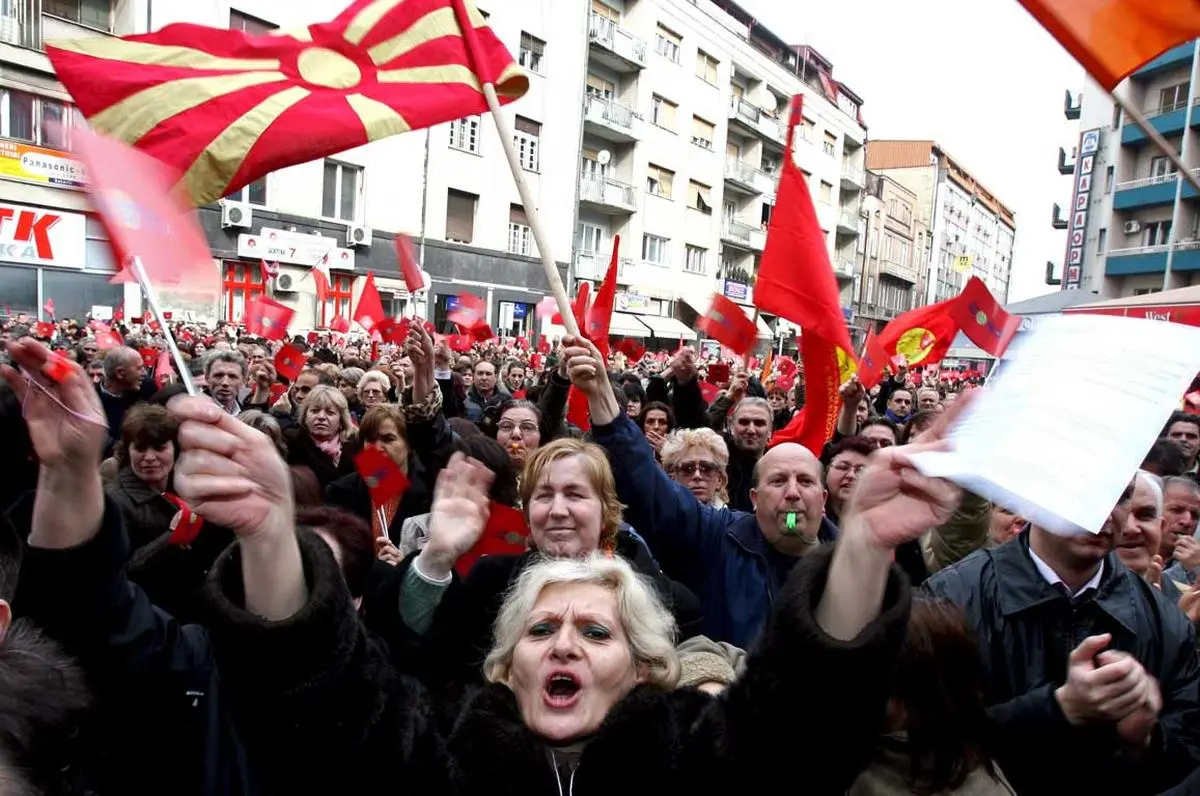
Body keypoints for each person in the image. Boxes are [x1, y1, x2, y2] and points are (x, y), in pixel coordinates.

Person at [163, 359, 968, 795]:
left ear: (648, 665)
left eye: (595, 631)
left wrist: (859, 547)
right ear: (504, 663)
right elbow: (330, 702)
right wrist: (270, 535)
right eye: (542, 630)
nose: (566, 646)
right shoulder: (446, 758)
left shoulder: (692, 761)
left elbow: (800, 720)